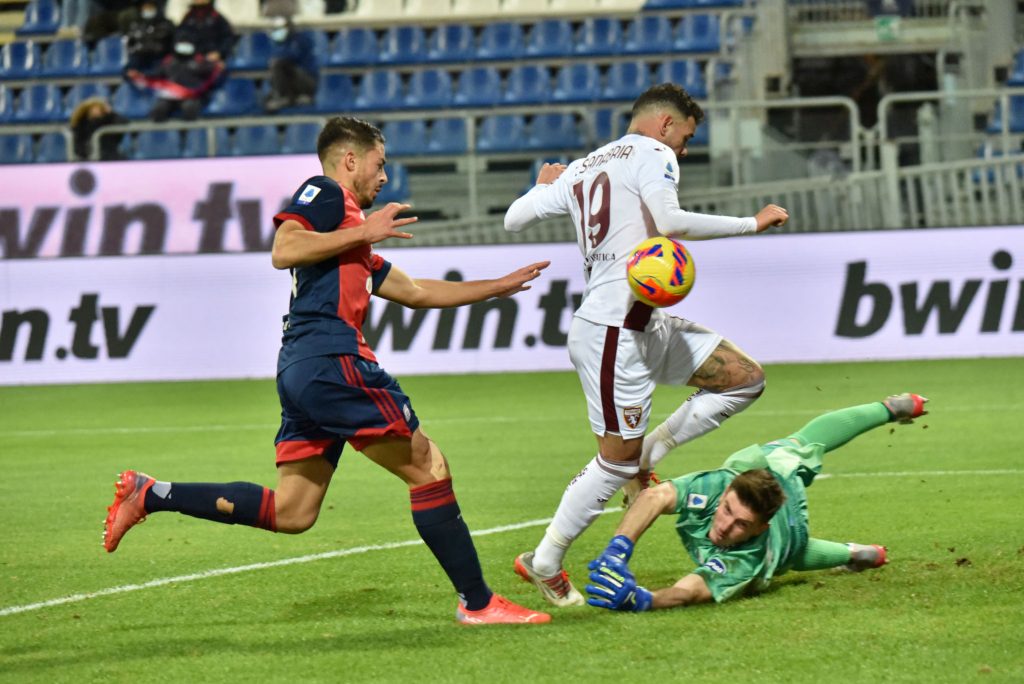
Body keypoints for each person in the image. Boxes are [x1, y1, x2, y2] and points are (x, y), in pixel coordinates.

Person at [103, 116, 552, 626]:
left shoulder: (347, 239)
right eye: (380, 165)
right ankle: (478, 603)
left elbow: (418, 292)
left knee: (294, 511)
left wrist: (497, 285)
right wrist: (366, 228)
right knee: (427, 465)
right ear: (350, 160)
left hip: (302, 367)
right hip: (331, 360)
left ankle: (153, 493)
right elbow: (283, 248)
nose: (384, 177)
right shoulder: (327, 193)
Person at [503, 82, 790, 607]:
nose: (684, 148)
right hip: (614, 330)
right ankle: (544, 561)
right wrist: (753, 222)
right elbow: (672, 222)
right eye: (686, 135)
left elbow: (513, 218)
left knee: (744, 378)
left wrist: (539, 186)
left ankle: (649, 454)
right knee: (613, 463)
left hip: (643, 322)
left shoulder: (586, 166)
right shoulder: (654, 153)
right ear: (665, 124)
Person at [584, 393, 928, 612]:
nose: (725, 525)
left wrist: (643, 599)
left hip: (787, 530)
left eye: (740, 525)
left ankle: (855, 552)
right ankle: (860, 552)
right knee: (796, 445)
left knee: (793, 554)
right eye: (728, 510)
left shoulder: (748, 558)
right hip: (767, 468)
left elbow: (689, 591)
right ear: (728, 492)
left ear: (759, 527)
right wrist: (618, 549)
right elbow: (655, 496)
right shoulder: (720, 485)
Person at [126, 37, 224, 122]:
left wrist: (219, 68)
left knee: (189, 108)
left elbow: (213, 77)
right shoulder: (169, 60)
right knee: (159, 109)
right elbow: (156, 75)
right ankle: (161, 138)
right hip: (170, 96)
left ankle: (189, 137)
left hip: (191, 95)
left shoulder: (200, 60)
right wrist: (139, 75)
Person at [263, 16, 318, 113]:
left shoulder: (300, 39)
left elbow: (292, 56)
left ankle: (286, 97)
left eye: (280, 29)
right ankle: (286, 97)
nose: (277, 32)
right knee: (276, 69)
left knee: (278, 64)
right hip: (295, 80)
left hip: (308, 80)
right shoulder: (284, 43)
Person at [121, 0, 176, 76]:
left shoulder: (167, 25)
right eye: (145, 7)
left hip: (160, 63)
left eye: (150, 7)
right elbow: (130, 47)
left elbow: (167, 48)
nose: (147, 10)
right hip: (139, 63)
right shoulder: (135, 25)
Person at [176, 0, 236, 66]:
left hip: (210, 58)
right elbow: (179, 38)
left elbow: (227, 38)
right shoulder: (188, 18)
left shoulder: (216, 17)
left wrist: (219, 53)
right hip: (190, 58)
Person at [69, 97, 126, 161]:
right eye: (94, 108)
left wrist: (111, 113)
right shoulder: (80, 125)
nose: (96, 110)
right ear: (87, 110)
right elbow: (78, 147)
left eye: (99, 108)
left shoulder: (109, 121)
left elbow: (123, 124)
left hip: (110, 156)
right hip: (87, 158)